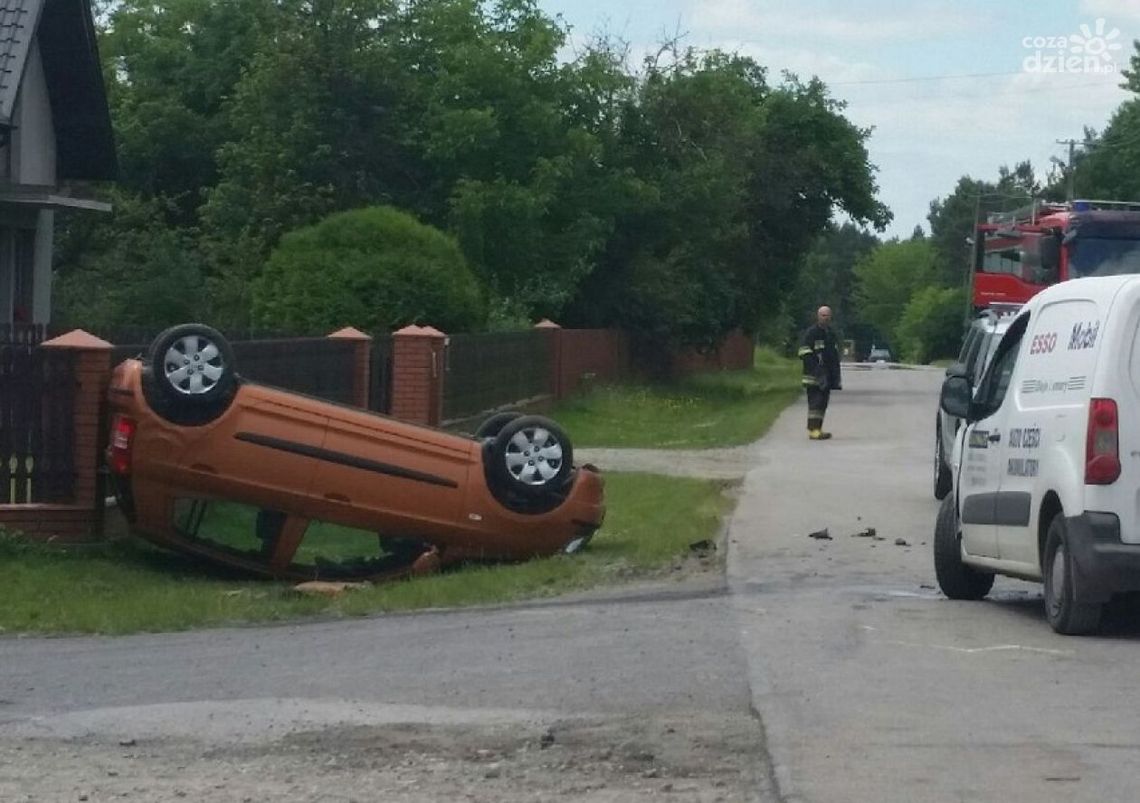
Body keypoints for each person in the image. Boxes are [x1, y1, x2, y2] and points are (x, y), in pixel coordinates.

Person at [798, 306, 842, 440]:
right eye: (823, 315)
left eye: (827, 315)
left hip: (827, 376)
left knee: (823, 403)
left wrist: (835, 377)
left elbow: (833, 356)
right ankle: (813, 430)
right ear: (818, 316)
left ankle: (818, 428)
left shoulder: (830, 334)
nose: (825, 317)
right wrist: (816, 369)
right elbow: (803, 352)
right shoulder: (811, 333)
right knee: (815, 403)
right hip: (813, 375)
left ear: (831, 317)